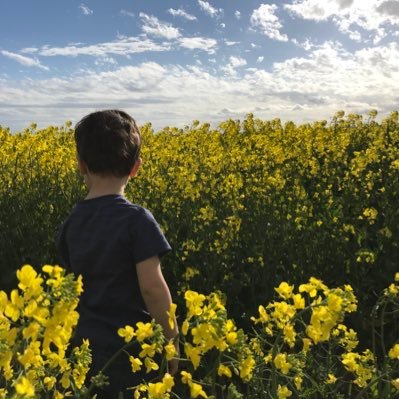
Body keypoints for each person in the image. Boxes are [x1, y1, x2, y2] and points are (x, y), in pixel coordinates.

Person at [57, 110, 179, 398]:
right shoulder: (138, 220)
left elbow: (70, 288)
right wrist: (172, 339)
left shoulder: (71, 223)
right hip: (131, 350)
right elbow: (152, 289)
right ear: (136, 167)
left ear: (81, 165)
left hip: (83, 348)